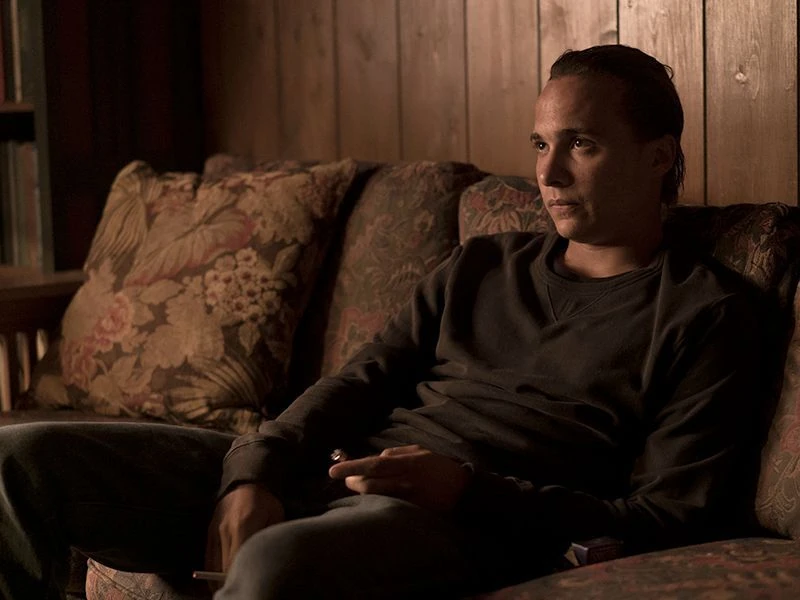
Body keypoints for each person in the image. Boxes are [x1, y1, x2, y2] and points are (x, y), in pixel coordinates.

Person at [0, 44, 763, 599]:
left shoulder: (705, 313)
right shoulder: (484, 264)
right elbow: (358, 381)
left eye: (581, 144)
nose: (548, 172)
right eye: (540, 143)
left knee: (275, 563)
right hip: (334, 472)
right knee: (19, 459)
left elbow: (666, 516)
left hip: (457, 523)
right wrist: (255, 469)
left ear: (659, 156)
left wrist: (466, 490)